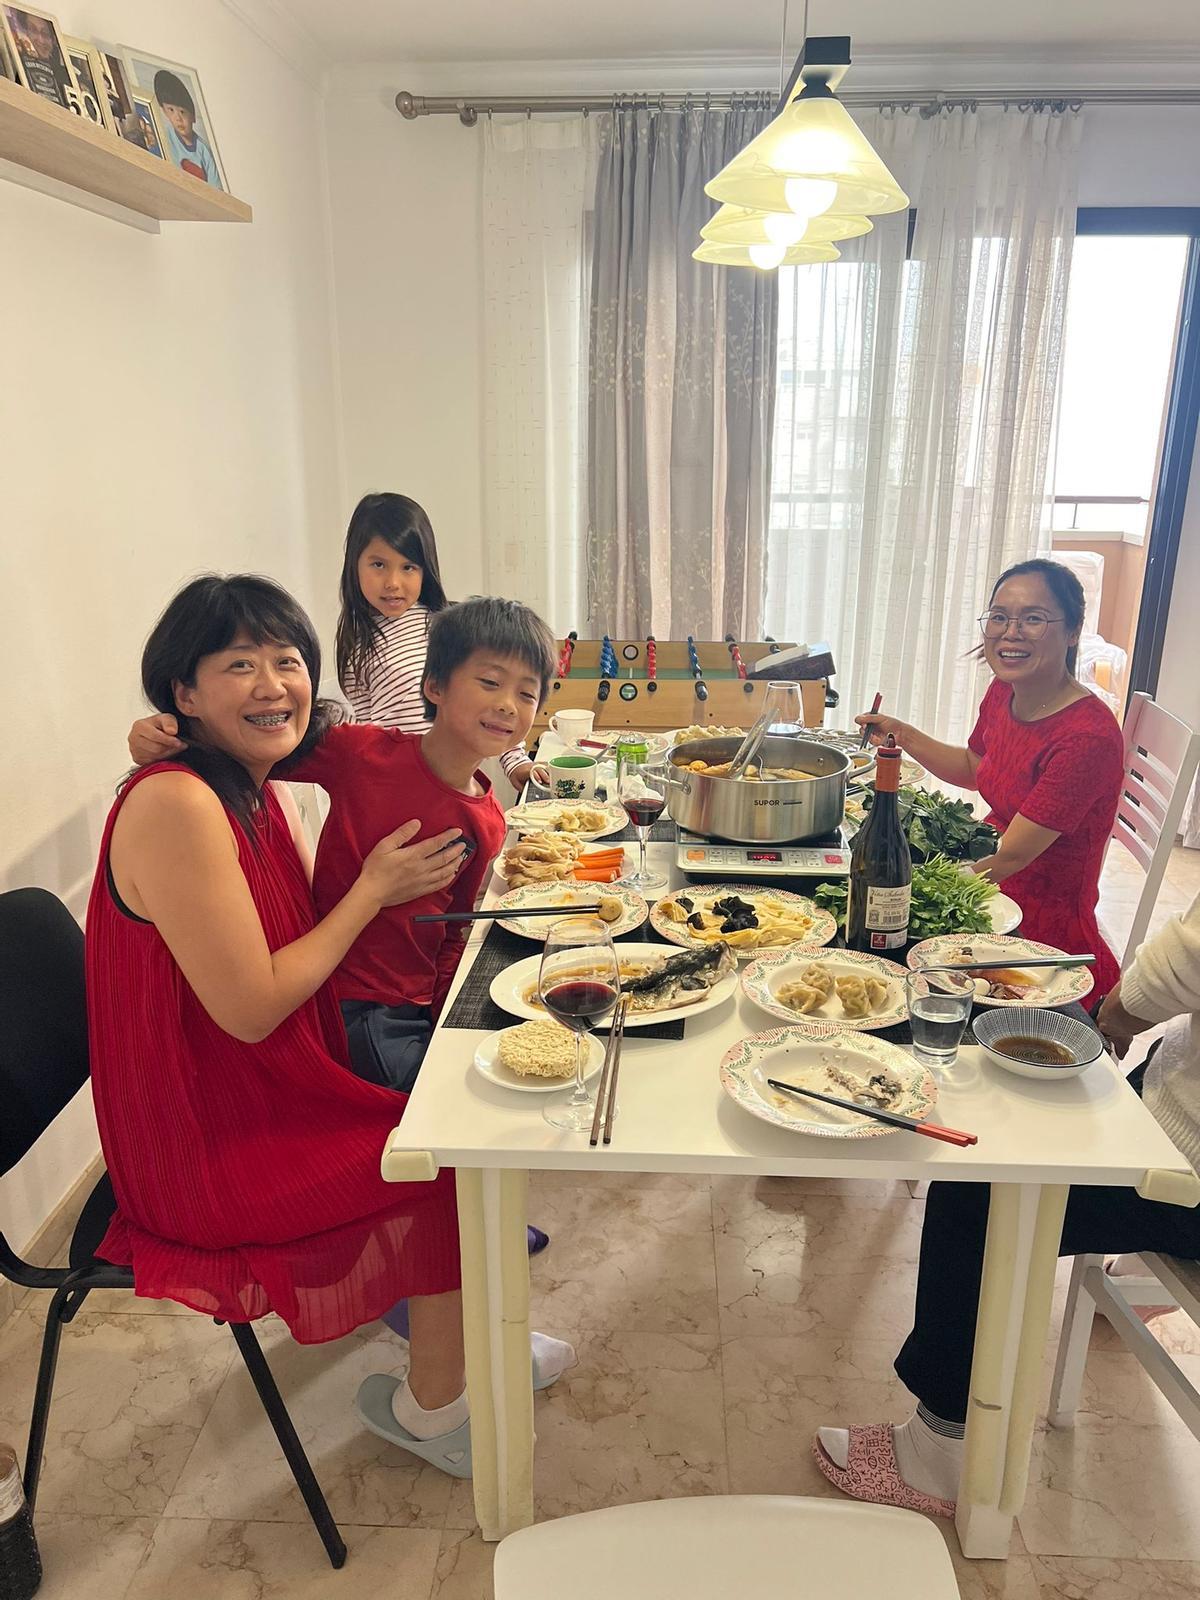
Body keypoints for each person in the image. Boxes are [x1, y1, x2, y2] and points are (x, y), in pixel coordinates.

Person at [95, 573, 571, 1474]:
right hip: (203, 1130)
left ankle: (465, 1337)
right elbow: (250, 1009)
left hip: (271, 1072)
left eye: (287, 661)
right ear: (184, 693)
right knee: (443, 1161)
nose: (274, 683)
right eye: (241, 664)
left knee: (471, 1115)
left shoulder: (245, 783)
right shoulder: (180, 801)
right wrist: (374, 891)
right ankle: (437, 1409)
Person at [814, 891, 1200, 1517]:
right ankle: (1134, 1267)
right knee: (1042, 1112)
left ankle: (939, 1454)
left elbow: (1180, 965)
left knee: (978, 1195)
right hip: (1176, 1105)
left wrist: (1115, 1017)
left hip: (1189, 1165)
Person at [858, 558, 1126, 1002]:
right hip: (987, 894)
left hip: (1033, 935)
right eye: (999, 617)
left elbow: (1009, 859)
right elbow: (973, 768)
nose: (1010, 632)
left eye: (1033, 619)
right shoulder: (1006, 691)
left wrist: (912, 887)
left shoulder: (1087, 737)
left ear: (1074, 631)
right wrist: (899, 734)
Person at [334, 492, 538, 790]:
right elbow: (364, 740)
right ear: (355, 564)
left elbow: (489, 703)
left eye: (408, 567)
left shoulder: (446, 625)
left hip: (456, 784)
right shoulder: (356, 644)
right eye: (378, 565)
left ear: (425, 570)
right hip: (397, 788)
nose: (393, 582)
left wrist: (516, 762)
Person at [152, 69, 222, 188]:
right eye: (171, 110)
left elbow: (217, 190)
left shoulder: (203, 151)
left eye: (182, 112)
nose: (178, 118)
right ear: (164, 110)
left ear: (193, 117)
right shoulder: (164, 136)